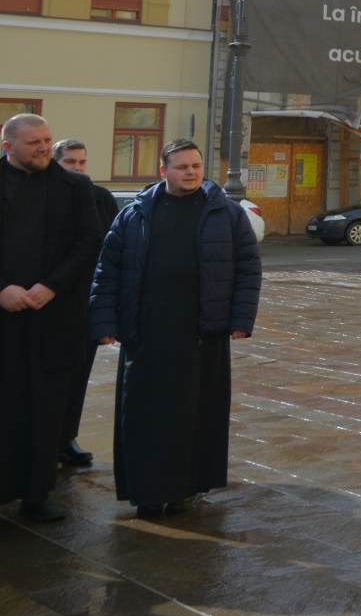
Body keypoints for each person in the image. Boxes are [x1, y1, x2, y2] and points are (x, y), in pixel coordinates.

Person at [88, 139, 262, 514]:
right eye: (182, 166)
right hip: (146, 331)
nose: (191, 172)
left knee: (196, 415)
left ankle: (187, 487)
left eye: (196, 165)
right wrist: (104, 321)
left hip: (202, 332)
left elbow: (248, 267)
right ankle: (147, 492)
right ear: (163, 170)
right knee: (145, 416)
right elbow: (108, 270)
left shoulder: (226, 213)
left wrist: (240, 319)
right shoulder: (134, 214)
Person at [0, 114, 102, 522]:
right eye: (33, 143)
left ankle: (36, 493)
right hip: (3, 315)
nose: (44, 148)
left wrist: (52, 286)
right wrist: (2, 289)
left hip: (52, 315)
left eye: (47, 140)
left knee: (45, 409)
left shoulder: (75, 186)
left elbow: (89, 240)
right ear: (7, 147)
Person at [53, 138, 120, 468]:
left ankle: (66, 439)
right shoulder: (45, 195)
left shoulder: (101, 198)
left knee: (78, 377)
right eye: (70, 162)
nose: (78, 168)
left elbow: (113, 250)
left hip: (86, 303)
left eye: (81, 161)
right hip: (48, 301)